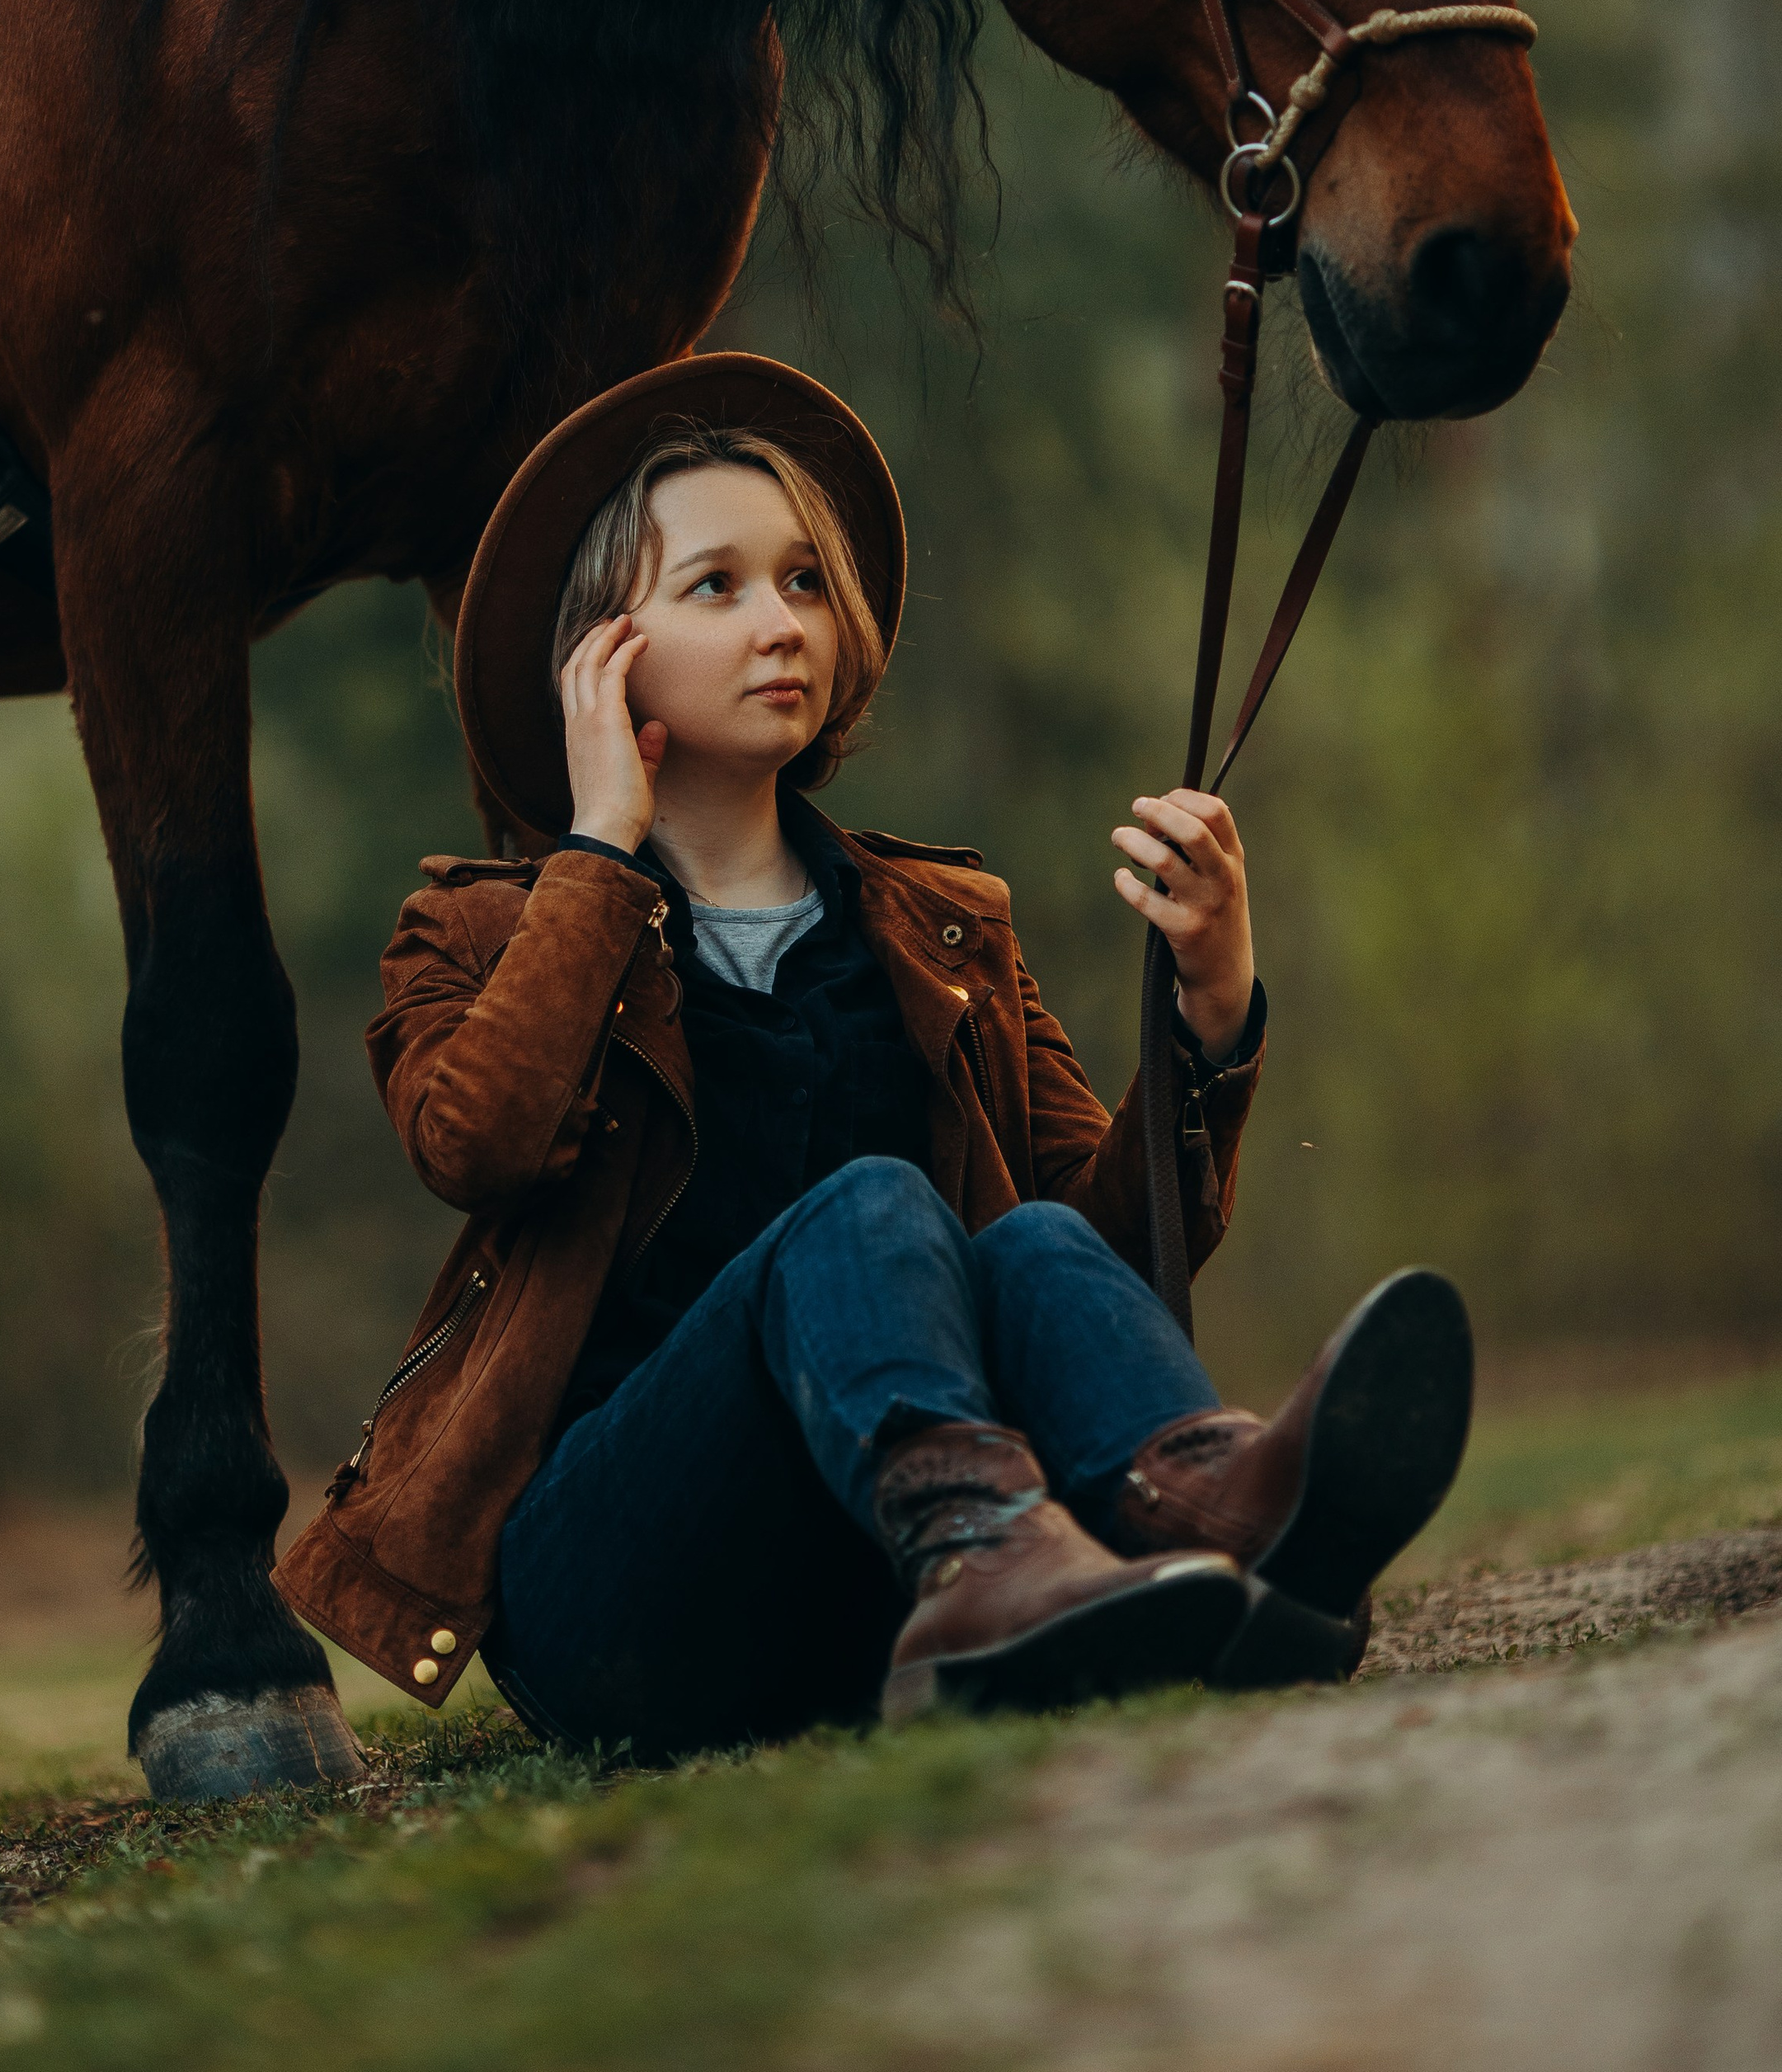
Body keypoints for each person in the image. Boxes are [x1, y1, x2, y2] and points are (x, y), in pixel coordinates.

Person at [275, 354, 1473, 1759]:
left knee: (1022, 1247)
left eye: (801, 580)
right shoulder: (474, 931)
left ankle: (1221, 1510)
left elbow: (1113, 1253)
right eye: (714, 586)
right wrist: (599, 851)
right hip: (617, 1594)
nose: (780, 620)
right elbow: (476, 1143)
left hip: (870, 1579)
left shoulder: (947, 930)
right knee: (870, 1207)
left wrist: (1212, 1004)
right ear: (601, 655)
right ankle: (993, 1557)